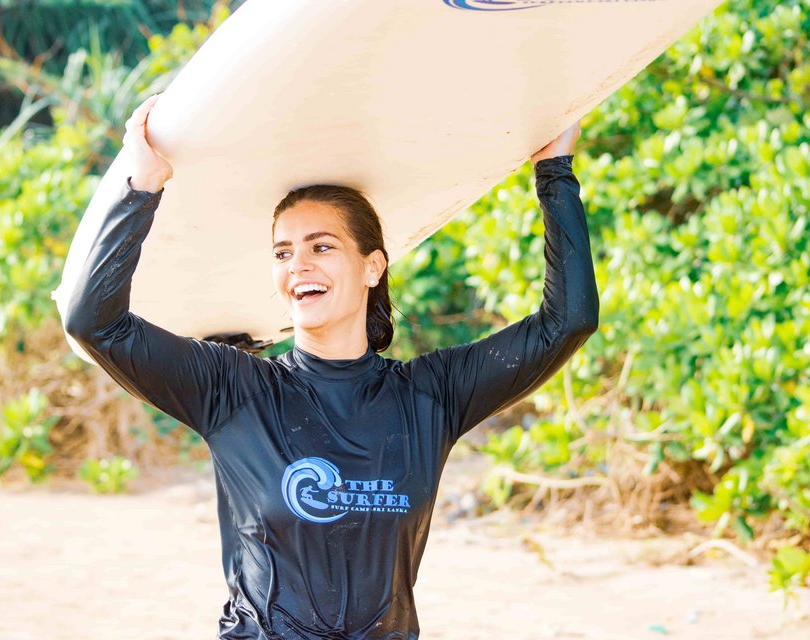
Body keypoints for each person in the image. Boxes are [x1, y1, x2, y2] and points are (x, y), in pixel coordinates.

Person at [64, 94, 599, 639]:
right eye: (282, 252)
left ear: (372, 267)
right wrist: (143, 183)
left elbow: (567, 321)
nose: (298, 265)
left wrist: (554, 173)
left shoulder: (432, 396)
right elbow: (94, 322)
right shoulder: (232, 389)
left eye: (321, 247)